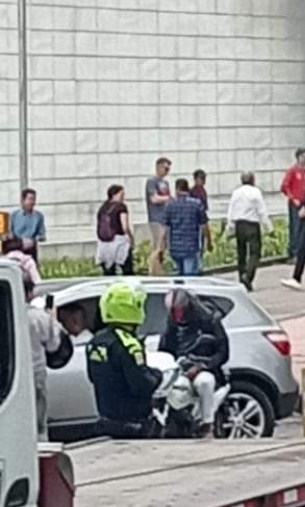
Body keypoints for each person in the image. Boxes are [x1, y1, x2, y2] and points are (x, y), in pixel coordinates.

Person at [87, 282, 163, 438]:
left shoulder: (96, 341)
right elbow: (142, 385)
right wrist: (157, 375)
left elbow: (93, 377)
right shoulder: (129, 344)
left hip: (107, 422)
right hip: (134, 427)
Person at [159, 289, 230, 438]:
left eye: (179, 311)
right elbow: (165, 349)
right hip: (180, 368)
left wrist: (203, 365)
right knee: (176, 389)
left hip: (206, 368)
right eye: (173, 312)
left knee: (205, 382)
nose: (177, 316)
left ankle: (207, 423)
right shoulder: (172, 325)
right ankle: (175, 423)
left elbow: (222, 352)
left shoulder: (210, 321)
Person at [23, 278, 68, 440]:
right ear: (29, 293)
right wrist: (53, 318)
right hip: (35, 374)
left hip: (7, 375)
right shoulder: (39, 317)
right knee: (39, 424)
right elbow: (54, 346)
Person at [225, 172, 272, 292]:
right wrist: (268, 227)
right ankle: (248, 276)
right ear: (252, 180)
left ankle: (242, 278)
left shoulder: (236, 192)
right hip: (252, 224)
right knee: (254, 253)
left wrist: (230, 227)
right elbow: (262, 211)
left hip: (239, 224)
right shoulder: (256, 192)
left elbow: (231, 210)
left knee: (241, 253)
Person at [164, 178, 210, 277]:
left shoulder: (170, 206)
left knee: (180, 276)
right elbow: (204, 225)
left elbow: (166, 228)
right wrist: (209, 241)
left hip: (175, 247)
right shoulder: (196, 204)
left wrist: (162, 247)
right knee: (190, 277)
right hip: (191, 247)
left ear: (176, 189)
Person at [96, 184, 134, 276]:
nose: (123, 197)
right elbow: (124, 226)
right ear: (114, 195)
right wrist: (131, 238)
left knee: (108, 271)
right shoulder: (121, 207)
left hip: (103, 242)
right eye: (122, 194)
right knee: (127, 269)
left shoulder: (103, 207)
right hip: (118, 240)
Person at [280, 148, 305, 260]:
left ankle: (303, 253)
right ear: (298, 157)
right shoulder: (292, 170)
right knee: (295, 228)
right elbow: (284, 186)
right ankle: (293, 253)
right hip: (295, 204)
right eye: (303, 156)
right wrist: (293, 198)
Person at [145, 157, 172, 276]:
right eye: (165, 168)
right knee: (157, 245)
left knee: (163, 246)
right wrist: (168, 198)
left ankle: (159, 269)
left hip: (165, 218)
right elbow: (154, 199)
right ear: (158, 167)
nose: (167, 171)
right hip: (156, 218)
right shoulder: (152, 181)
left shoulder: (165, 183)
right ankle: (152, 270)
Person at [11, 188, 45, 264]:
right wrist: (20, 242)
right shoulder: (14, 215)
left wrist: (33, 240)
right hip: (17, 247)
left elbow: (42, 234)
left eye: (34, 199)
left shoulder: (39, 216)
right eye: (30, 199)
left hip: (31, 248)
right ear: (23, 201)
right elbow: (10, 233)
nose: (32, 202)